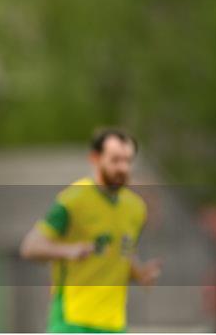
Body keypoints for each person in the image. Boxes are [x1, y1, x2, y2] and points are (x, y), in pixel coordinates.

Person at [20, 128, 161, 333]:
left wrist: (140, 274)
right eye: (115, 160)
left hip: (113, 323)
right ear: (95, 158)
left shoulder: (136, 208)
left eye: (128, 161)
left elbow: (121, 253)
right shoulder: (73, 200)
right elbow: (30, 248)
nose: (122, 167)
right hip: (72, 320)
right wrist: (69, 250)